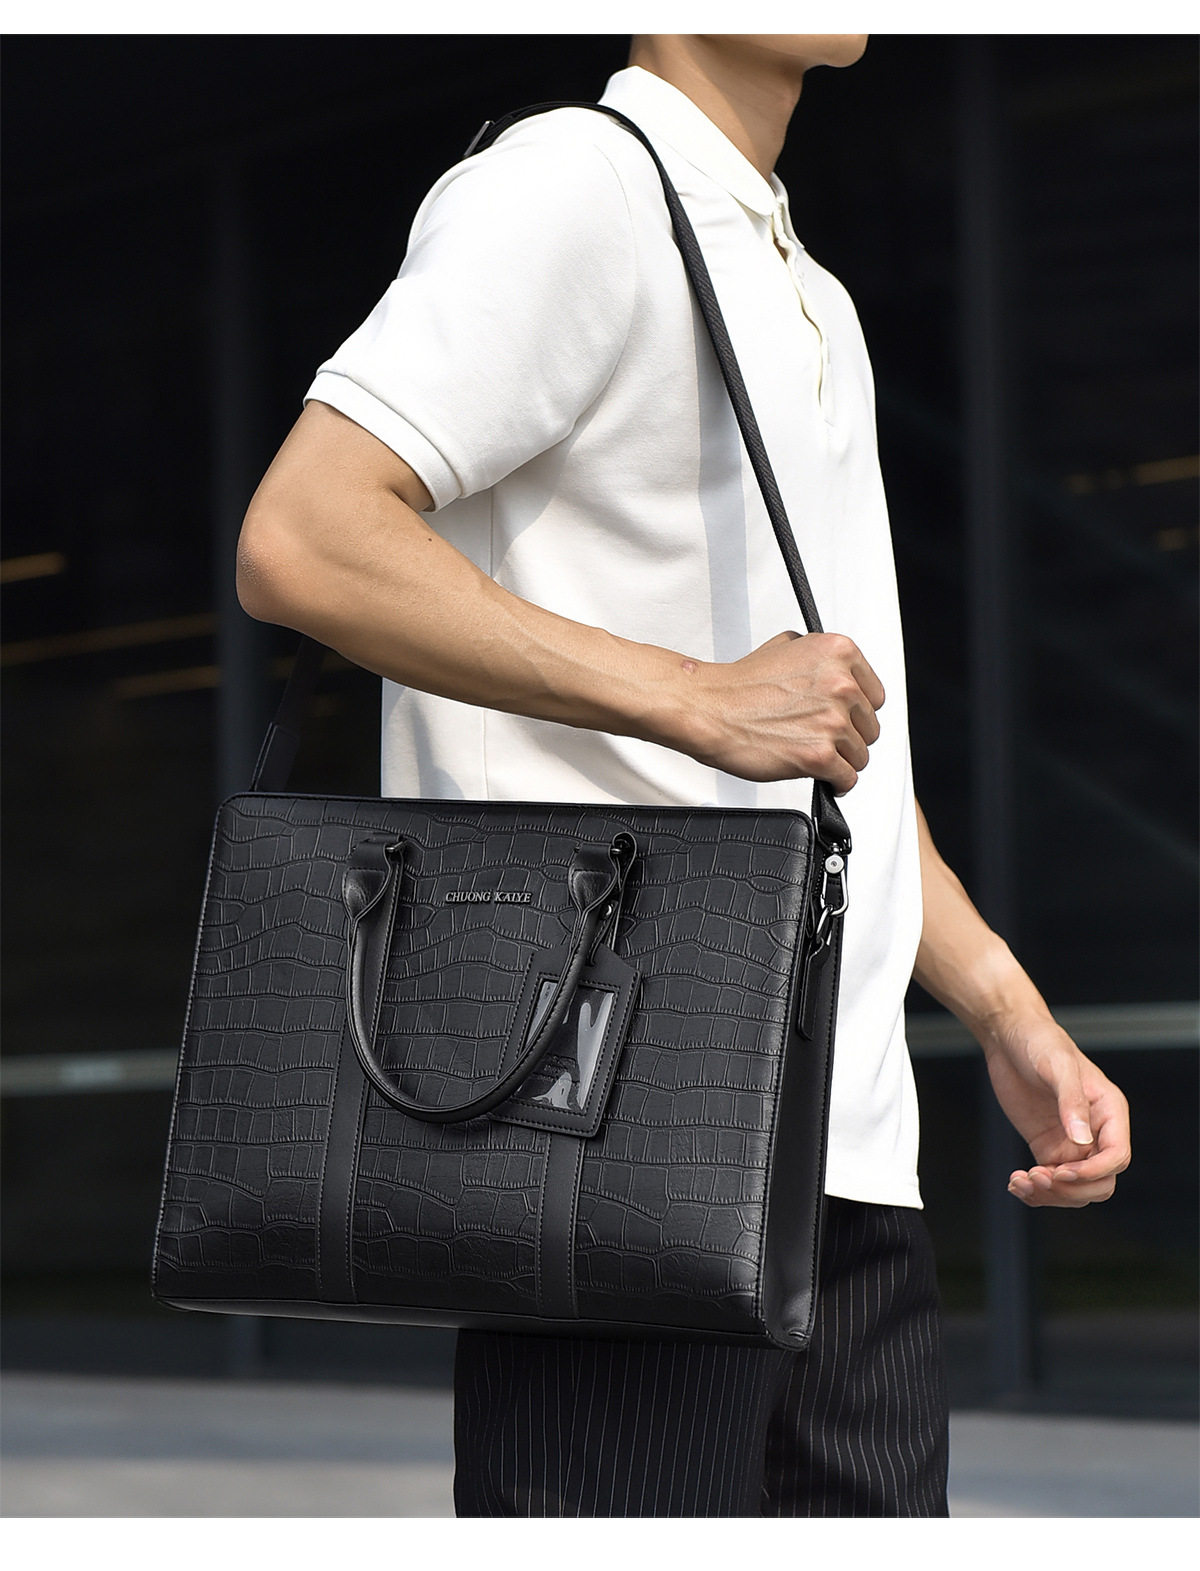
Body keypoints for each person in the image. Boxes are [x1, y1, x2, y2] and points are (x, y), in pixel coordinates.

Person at [236, 33, 1132, 1517]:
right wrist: (694, 698)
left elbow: (829, 744)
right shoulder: (572, 189)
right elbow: (304, 538)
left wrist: (1003, 1006)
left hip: (845, 1153)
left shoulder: (809, 288)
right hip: (608, 1120)